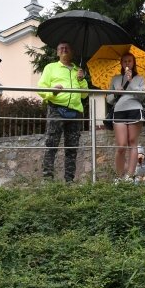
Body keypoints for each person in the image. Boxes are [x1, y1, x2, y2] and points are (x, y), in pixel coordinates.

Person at [38, 41, 89, 183]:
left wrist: (82, 79)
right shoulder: (51, 68)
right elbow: (41, 88)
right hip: (56, 109)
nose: (64, 50)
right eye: (61, 48)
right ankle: (47, 179)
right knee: (51, 145)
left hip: (75, 112)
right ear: (57, 52)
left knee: (72, 148)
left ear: (72, 52)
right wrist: (52, 91)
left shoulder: (78, 70)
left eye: (67, 48)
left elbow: (84, 95)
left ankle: (69, 181)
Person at [106, 52, 145, 181]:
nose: (127, 63)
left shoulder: (140, 79)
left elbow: (141, 96)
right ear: (121, 64)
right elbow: (109, 99)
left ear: (133, 63)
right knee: (121, 145)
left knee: (133, 143)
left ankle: (129, 176)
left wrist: (131, 83)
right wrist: (115, 92)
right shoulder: (115, 78)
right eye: (125, 61)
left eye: (129, 61)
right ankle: (119, 176)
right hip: (119, 111)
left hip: (135, 109)